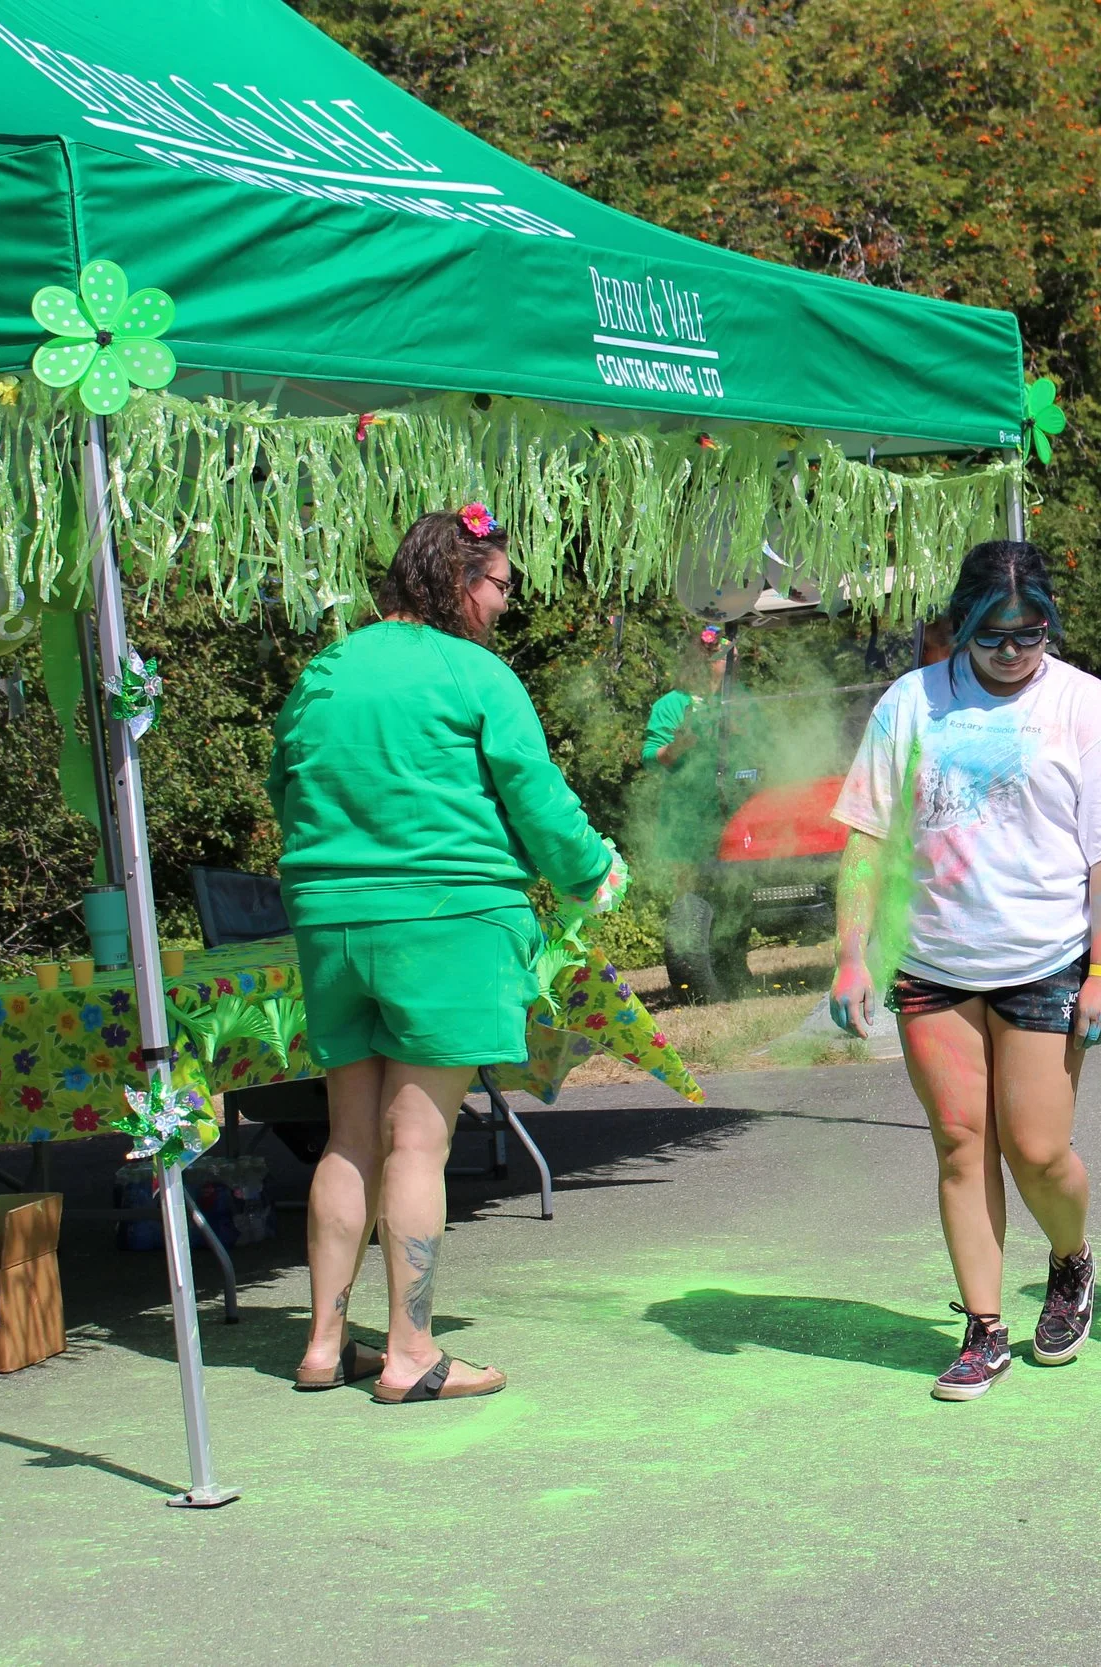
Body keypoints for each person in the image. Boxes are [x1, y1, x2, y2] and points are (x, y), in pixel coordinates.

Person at [270, 504, 624, 1404]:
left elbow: (286, 788)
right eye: (502, 585)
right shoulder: (477, 675)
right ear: (462, 581)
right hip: (449, 921)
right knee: (418, 1143)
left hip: (329, 926)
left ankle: (322, 1345)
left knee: (349, 1136)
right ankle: (411, 1352)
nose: (505, 603)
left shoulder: (323, 671)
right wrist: (592, 871)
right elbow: (537, 798)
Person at [827, 540, 1101, 1401]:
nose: (1014, 651)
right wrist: (849, 956)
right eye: (995, 635)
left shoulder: (1083, 705)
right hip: (934, 965)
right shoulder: (911, 703)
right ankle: (983, 1330)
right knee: (960, 1144)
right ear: (962, 625)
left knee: (1037, 1147)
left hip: (1046, 961)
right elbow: (866, 838)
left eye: (1032, 632)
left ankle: (1070, 1259)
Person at [640, 622, 731, 773]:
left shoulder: (742, 700)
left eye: (736, 657)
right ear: (706, 661)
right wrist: (676, 748)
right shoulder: (672, 703)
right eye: (728, 657)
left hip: (740, 793)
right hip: (688, 793)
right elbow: (649, 761)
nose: (735, 664)